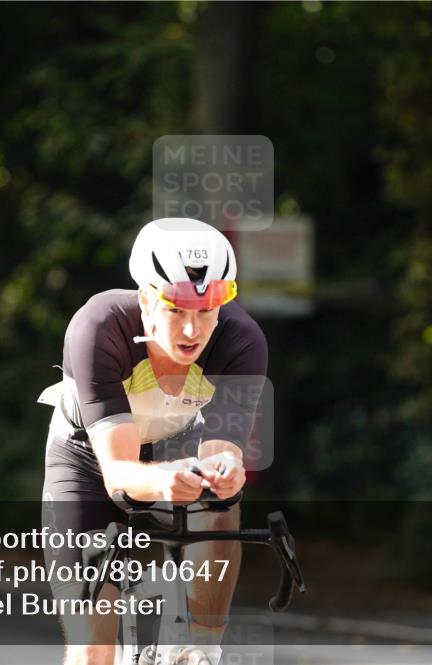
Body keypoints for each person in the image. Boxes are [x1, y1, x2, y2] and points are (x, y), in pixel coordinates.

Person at [39, 217, 268, 665]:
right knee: (92, 650)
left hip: (177, 445)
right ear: (145, 298)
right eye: (176, 310)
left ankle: (202, 648)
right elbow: (118, 474)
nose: (192, 331)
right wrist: (165, 480)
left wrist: (226, 473)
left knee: (222, 502)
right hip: (87, 457)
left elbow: (222, 450)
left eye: (206, 311)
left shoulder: (241, 341)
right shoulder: (98, 327)